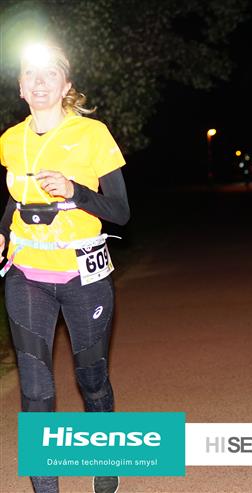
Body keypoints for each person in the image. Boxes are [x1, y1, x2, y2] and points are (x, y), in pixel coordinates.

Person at [0, 42, 130, 493]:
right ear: (21, 87)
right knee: (35, 389)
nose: (39, 83)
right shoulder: (10, 140)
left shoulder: (93, 134)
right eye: (30, 75)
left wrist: (75, 191)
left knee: (91, 380)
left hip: (83, 276)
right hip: (26, 275)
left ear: (65, 85)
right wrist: (2, 230)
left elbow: (120, 211)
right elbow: (15, 200)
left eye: (50, 74)